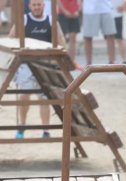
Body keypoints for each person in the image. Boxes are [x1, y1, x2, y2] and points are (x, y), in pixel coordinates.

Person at [9, 0, 65, 138]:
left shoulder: (51, 21)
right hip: (26, 64)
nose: (36, 7)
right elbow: (11, 38)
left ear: (43, 6)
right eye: (34, 5)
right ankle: (21, 126)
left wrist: (58, 59)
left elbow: (61, 41)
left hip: (45, 64)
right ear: (30, 6)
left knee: (44, 98)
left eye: (39, 4)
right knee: (24, 96)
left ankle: (46, 130)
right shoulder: (24, 20)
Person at [83, 0, 117, 65]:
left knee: (110, 35)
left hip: (106, 8)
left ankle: (112, 61)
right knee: (88, 37)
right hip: (90, 9)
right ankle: (88, 63)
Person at [57, 0, 82, 66]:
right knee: (62, 38)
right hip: (62, 12)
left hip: (74, 12)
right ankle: (62, 60)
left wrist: (78, 10)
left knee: (73, 38)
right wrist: (64, 11)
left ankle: (72, 61)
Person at [113, 0, 126, 64]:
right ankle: (112, 60)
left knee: (119, 38)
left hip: (117, 14)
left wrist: (124, 6)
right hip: (106, 12)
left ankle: (124, 60)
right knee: (110, 39)